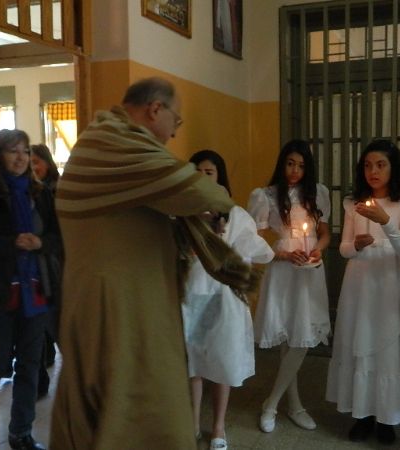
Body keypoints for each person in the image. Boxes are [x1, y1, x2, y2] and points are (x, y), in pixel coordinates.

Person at [49, 77, 254, 450]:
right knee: (132, 408)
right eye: (177, 122)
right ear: (155, 109)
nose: (174, 134)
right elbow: (203, 192)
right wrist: (217, 203)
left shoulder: (106, 140)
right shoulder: (116, 142)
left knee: (117, 409)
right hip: (114, 309)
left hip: (111, 299)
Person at [325, 139, 400, 445]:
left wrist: (385, 222)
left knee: (387, 346)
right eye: (367, 165)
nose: (373, 171)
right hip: (359, 283)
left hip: (389, 284)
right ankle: (362, 415)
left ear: (393, 168)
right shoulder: (354, 203)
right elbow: (343, 249)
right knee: (360, 340)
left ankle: (386, 417)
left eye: (380, 165)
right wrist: (356, 245)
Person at [182, 150, 274, 450]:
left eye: (209, 172)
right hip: (193, 294)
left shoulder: (236, 215)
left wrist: (221, 236)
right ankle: (193, 422)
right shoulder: (184, 213)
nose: (202, 177)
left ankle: (219, 426)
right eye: (197, 171)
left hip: (223, 297)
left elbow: (257, 252)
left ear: (220, 177)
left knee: (222, 360)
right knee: (194, 361)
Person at [248, 139, 332, 433]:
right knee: (290, 336)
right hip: (284, 268)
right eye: (290, 163)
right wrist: (283, 254)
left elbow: (325, 233)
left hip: (310, 269)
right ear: (282, 163)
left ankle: (272, 403)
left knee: (302, 338)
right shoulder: (266, 196)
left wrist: (318, 249)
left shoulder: (318, 193)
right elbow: (255, 240)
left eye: (301, 165)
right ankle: (292, 405)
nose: (295, 170)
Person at [0, 129, 62, 450]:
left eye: (25, 151)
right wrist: (11, 243)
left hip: (36, 291)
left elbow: (59, 239)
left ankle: (21, 433)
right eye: (13, 151)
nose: (21, 158)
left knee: (31, 365)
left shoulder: (40, 193)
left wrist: (40, 243)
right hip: (1, 292)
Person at [29, 143, 62, 398]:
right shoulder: (29, 192)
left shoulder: (55, 191)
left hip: (54, 265)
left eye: (36, 162)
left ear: (47, 163)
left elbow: (58, 234)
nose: (32, 167)